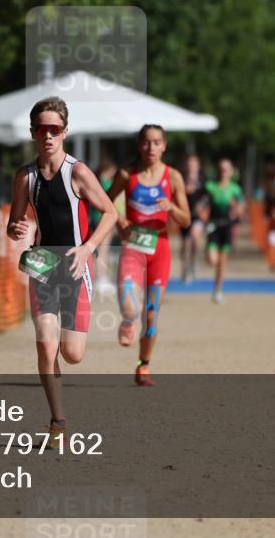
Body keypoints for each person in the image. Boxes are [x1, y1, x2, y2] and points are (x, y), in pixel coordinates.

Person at [7, 97, 118, 441]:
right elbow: (14, 222)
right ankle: (58, 421)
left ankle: (59, 412)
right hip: (43, 265)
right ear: (32, 132)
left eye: (54, 129)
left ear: (65, 132)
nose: (48, 136)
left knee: (72, 354)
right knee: (45, 344)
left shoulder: (78, 172)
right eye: (42, 129)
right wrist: (15, 229)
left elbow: (111, 212)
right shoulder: (25, 177)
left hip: (74, 265)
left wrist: (87, 248)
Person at [107, 125, 191, 387]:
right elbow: (106, 203)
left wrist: (172, 207)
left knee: (152, 314)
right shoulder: (126, 174)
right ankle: (128, 319)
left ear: (164, 146)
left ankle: (143, 364)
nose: (151, 147)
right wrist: (120, 222)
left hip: (159, 250)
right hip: (133, 248)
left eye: (156, 142)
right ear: (139, 145)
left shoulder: (173, 177)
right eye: (146, 142)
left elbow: (186, 220)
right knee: (131, 308)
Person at [201, 158, 244, 303]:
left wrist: (236, 208)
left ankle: (218, 290)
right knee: (213, 260)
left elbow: (240, 209)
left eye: (226, 169)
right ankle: (208, 254)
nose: (223, 172)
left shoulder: (235, 189)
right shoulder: (210, 186)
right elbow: (202, 204)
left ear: (231, 172)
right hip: (213, 225)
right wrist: (202, 215)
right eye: (221, 169)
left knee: (222, 262)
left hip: (227, 227)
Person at [92, 152, 120, 295]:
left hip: (96, 219)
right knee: (103, 250)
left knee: (99, 250)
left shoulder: (95, 182)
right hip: (104, 220)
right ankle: (101, 278)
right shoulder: (107, 183)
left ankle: (100, 277)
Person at [180, 154, 207, 284]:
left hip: (197, 216)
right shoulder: (181, 180)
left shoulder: (203, 181)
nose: (192, 167)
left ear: (198, 166)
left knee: (195, 238)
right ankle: (185, 269)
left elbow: (207, 197)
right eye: (190, 164)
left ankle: (194, 263)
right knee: (186, 244)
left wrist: (202, 206)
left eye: (194, 164)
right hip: (185, 215)